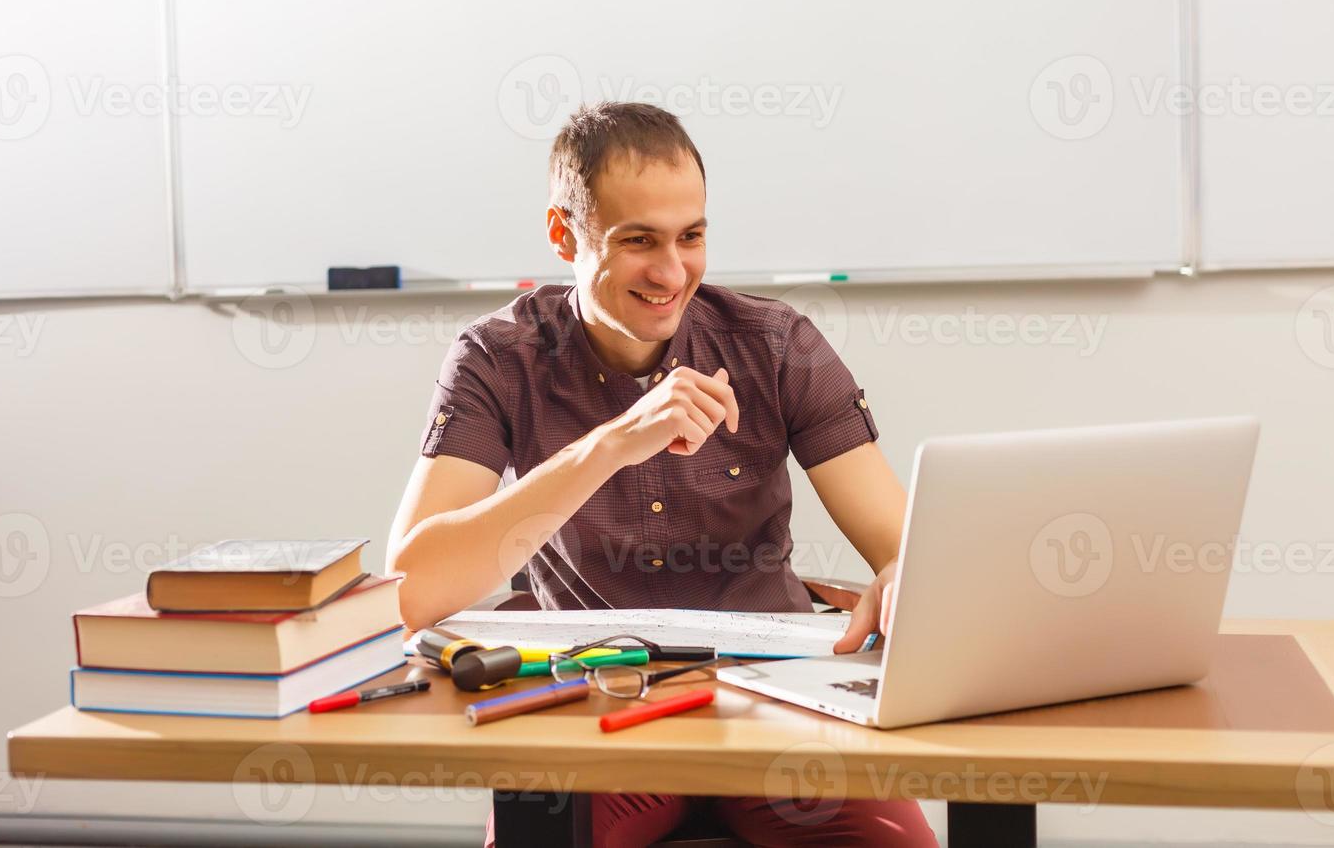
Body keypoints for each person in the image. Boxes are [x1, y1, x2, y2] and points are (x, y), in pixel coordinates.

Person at [386, 101, 936, 847]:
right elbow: (412, 589)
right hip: (594, 706)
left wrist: (907, 574)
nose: (672, 272)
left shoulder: (776, 347)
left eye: (692, 237)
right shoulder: (495, 358)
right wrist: (611, 443)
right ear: (562, 235)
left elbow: (904, 550)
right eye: (639, 241)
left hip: (770, 702)